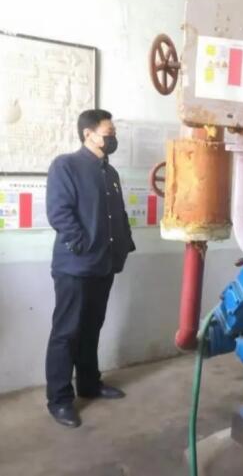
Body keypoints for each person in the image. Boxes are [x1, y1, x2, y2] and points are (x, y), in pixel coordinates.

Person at [45, 109, 136, 428]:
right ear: (88, 134)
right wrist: (82, 245)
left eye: (113, 133)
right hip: (75, 266)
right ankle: (59, 400)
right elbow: (59, 213)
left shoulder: (110, 173)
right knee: (66, 332)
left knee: (91, 327)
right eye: (108, 133)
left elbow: (118, 215)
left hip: (104, 264)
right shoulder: (66, 166)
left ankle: (89, 384)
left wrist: (123, 245)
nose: (113, 138)